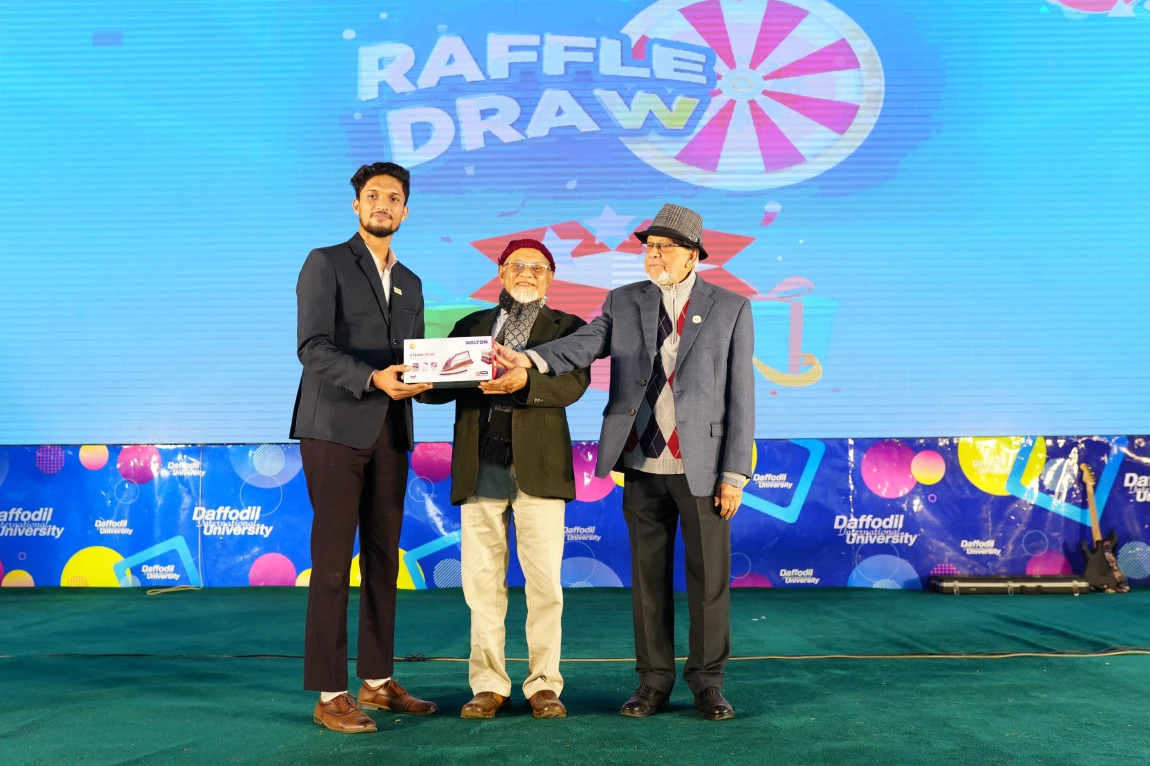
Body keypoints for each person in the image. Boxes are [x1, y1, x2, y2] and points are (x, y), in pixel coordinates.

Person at [494, 204, 754, 721]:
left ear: (693, 255)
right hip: (639, 462)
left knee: (709, 584)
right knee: (647, 584)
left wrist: (733, 474)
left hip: (704, 470)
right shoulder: (623, 300)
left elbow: (741, 396)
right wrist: (531, 358)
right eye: (648, 247)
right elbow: (585, 343)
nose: (652, 254)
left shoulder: (731, 307)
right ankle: (652, 682)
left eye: (664, 247)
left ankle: (707, 684)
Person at [291, 162, 437, 733]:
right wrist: (374, 378)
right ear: (356, 205)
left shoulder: (412, 282)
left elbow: (413, 359)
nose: (383, 204)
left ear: (405, 210)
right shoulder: (325, 262)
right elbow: (312, 347)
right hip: (333, 429)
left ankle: (376, 680)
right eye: (373, 195)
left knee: (383, 560)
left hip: (391, 432)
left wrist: (441, 376)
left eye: (393, 197)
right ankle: (331, 693)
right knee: (332, 565)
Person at [422, 239, 590, 719]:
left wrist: (526, 381)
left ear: (551, 277)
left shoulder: (569, 329)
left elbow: (573, 384)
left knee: (545, 586)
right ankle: (489, 685)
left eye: (538, 267)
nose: (527, 273)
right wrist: (419, 376)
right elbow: (438, 385)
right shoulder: (471, 327)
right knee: (481, 586)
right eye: (518, 265)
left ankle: (544, 685)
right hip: (480, 466)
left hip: (539, 468)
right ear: (500, 272)